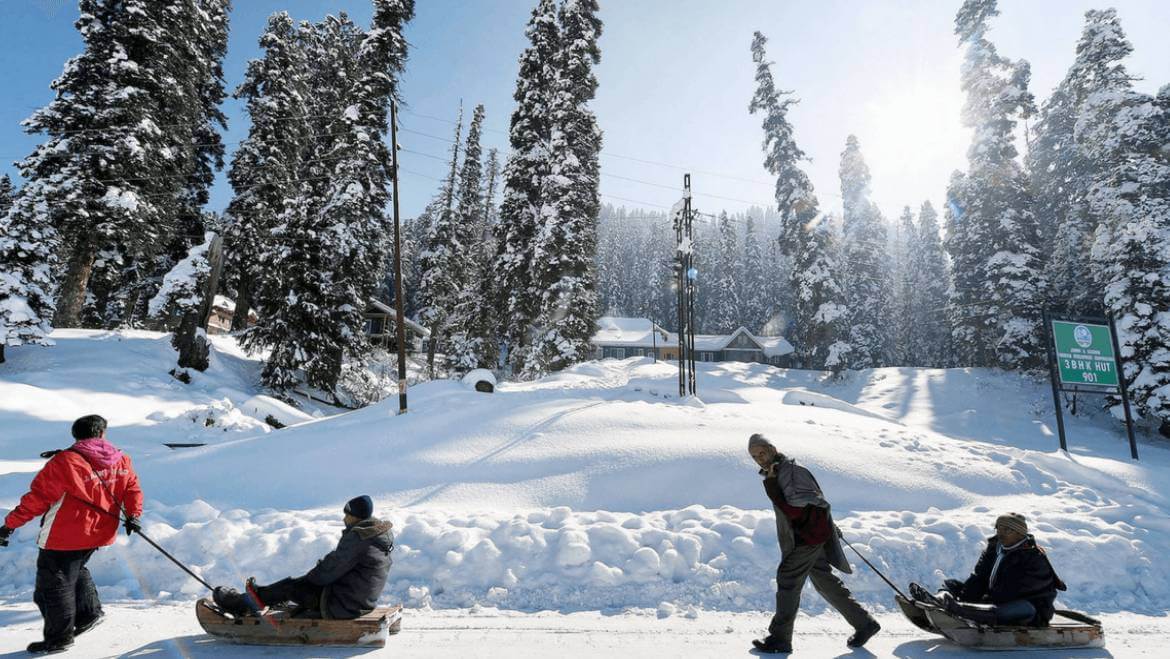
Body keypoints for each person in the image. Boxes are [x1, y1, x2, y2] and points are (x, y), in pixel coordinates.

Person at [0, 414, 144, 655]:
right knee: (75, 569)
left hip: (65, 533)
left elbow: (37, 499)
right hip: (100, 530)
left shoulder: (65, 462)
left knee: (53, 583)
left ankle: (59, 638)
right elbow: (132, 488)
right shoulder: (121, 458)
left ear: (75, 435)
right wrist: (133, 515)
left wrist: (9, 525)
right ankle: (89, 613)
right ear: (102, 433)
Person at [748, 434, 880, 654]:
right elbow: (816, 502)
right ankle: (864, 624)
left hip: (807, 538)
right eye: (754, 456)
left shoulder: (791, 471)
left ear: (772, 447)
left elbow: (797, 508)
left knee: (788, 578)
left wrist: (771, 486)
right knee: (824, 582)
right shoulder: (780, 471)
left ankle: (780, 639)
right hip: (811, 535)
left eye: (762, 452)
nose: (759, 458)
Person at [213, 495, 394, 620]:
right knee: (296, 585)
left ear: (355, 517)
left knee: (291, 586)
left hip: (341, 605)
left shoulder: (358, 538)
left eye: (347, 514)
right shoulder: (375, 535)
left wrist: (306, 581)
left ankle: (241, 604)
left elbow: (328, 571)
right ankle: (263, 596)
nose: (344, 518)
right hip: (358, 600)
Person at [912, 512, 1066, 626]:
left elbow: (1016, 590)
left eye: (1007, 530)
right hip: (994, 598)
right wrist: (968, 596)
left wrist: (983, 601)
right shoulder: (994, 548)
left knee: (1017, 609)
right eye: (998, 528)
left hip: (1029, 608)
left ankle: (957, 609)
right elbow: (979, 577)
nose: (1000, 533)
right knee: (952, 584)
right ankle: (939, 600)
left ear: (1020, 534)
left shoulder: (1033, 558)